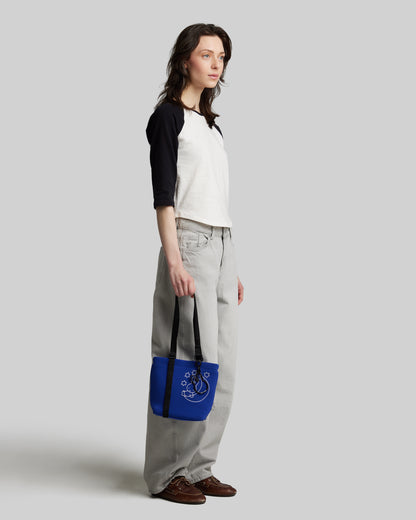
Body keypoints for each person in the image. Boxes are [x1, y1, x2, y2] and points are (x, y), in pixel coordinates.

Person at [143, 23, 244, 505]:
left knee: (221, 362)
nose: (215, 63)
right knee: (184, 358)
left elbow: (214, 197)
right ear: (185, 59)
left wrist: (230, 265)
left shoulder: (211, 126)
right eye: (206, 54)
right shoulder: (168, 117)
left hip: (222, 245)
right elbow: (164, 198)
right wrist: (175, 260)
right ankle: (167, 473)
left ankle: (200, 467)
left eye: (221, 56)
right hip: (189, 242)